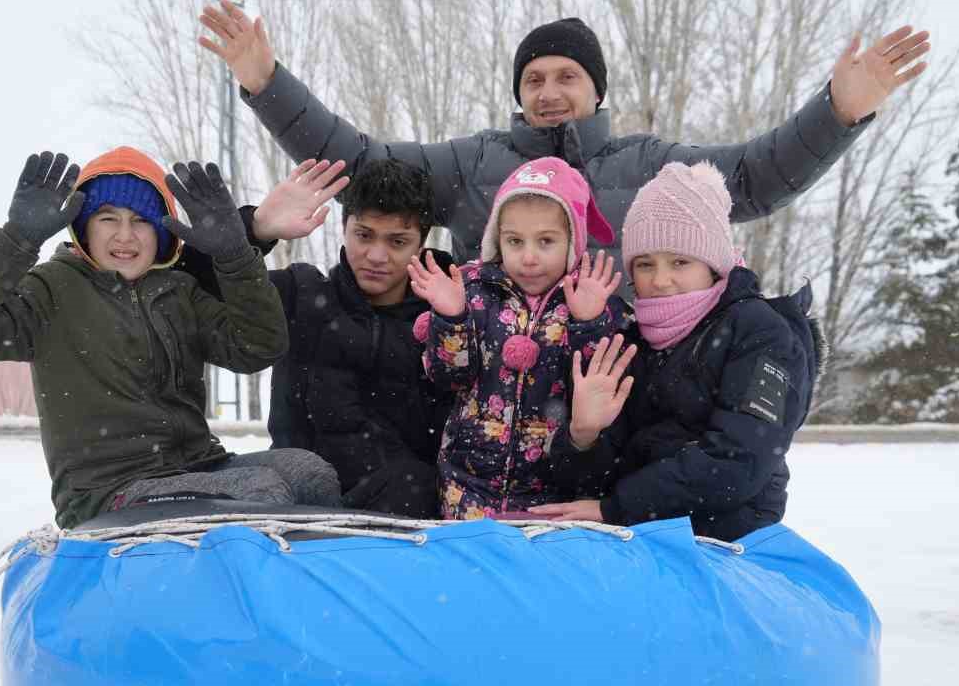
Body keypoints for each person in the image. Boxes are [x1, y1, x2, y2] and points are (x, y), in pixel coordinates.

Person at [198, 1, 929, 263]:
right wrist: (266, 82)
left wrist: (840, 109)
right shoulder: (471, 162)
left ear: (596, 89)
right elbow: (360, 165)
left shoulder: (647, 164)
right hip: (495, 405)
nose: (549, 91)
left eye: (566, 77)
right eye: (534, 79)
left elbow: (752, 179)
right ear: (518, 93)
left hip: (612, 404)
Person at [0, 147, 342, 529]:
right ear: (83, 229)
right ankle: (244, 607)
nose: (125, 236)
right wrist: (19, 238)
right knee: (261, 493)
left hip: (197, 467)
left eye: (140, 220)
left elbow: (259, 347)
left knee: (310, 473)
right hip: (108, 491)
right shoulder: (51, 290)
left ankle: (310, 599)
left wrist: (234, 254)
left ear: (162, 232)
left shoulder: (176, 289)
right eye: (108, 218)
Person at [532, 161, 822, 541]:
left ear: (713, 264)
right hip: (637, 536)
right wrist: (583, 436)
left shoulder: (760, 331)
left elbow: (738, 460)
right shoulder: (632, 339)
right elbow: (591, 481)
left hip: (727, 541)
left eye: (680, 262)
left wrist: (617, 508)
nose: (661, 280)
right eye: (646, 264)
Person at [408, 156, 629, 519]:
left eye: (545, 241)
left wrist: (588, 323)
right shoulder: (474, 292)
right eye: (514, 241)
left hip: (549, 494)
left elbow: (593, 392)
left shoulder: (590, 302)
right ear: (497, 239)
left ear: (573, 241)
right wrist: (452, 317)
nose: (528, 257)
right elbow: (449, 378)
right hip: (466, 488)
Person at [249, 158, 458, 517]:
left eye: (397, 241)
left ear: (420, 244)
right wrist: (254, 231)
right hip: (296, 514)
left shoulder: (447, 320)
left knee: (412, 484)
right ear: (344, 228)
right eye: (364, 235)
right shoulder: (300, 295)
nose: (376, 256)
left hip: (403, 522)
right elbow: (198, 291)